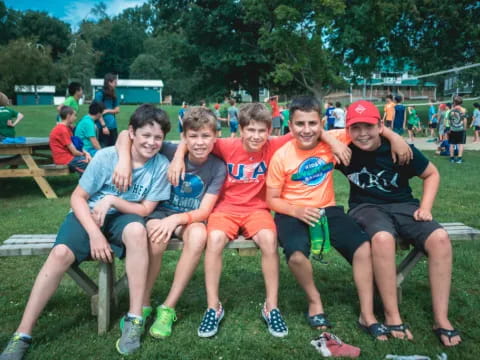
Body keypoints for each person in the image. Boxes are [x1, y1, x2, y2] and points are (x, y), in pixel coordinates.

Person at [0, 104, 172, 359]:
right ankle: (22, 334)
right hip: (88, 215)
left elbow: (145, 209)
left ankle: (134, 319)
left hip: (125, 216)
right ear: (132, 133)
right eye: (146, 135)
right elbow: (78, 197)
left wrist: (112, 200)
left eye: (158, 137)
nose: (152, 142)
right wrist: (94, 233)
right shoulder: (107, 158)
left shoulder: (160, 165)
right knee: (59, 254)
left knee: (137, 231)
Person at [168, 102, 350, 339]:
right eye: (250, 130)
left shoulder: (274, 144)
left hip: (257, 208)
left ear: (269, 132)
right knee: (213, 239)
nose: (256, 136)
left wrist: (332, 140)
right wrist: (177, 158)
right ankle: (213, 307)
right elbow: (192, 138)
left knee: (268, 238)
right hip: (225, 209)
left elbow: (306, 130)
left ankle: (271, 306)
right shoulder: (224, 145)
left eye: (261, 131)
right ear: (241, 130)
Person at [266, 96, 411, 341]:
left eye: (313, 123)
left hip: (327, 208)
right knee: (297, 256)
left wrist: (395, 137)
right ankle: (315, 301)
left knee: (363, 248)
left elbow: (370, 128)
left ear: (321, 123)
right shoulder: (282, 156)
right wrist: (296, 210)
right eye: (299, 124)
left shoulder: (337, 137)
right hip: (292, 210)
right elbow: (272, 199)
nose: (306, 129)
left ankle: (367, 314)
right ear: (290, 127)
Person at [337, 99, 461, 347]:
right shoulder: (343, 148)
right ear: (347, 129)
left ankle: (441, 319)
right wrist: (333, 140)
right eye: (355, 128)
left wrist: (425, 208)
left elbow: (432, 173)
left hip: (404, 206)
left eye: (369, 127)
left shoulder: (399, 149)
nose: (362, 134)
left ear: (380, 125)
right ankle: (392, 315)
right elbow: (309, 135)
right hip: (366, 207)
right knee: (383, 239)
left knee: (440, 239)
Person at [114, 106, 227, 339]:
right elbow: (126, 135)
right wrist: (126, 160)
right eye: (193, 136)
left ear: (216, 137)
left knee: (198, 236)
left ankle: (168, 307)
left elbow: (204, 211)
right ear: (183, 138)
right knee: (156, 238)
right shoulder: (168, 149)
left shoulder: (217, 167)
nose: (199, 142)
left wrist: (177, 219)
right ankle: (143, 305)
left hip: (187, 218)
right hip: (159, 211)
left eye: (206, 136)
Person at [49, 106, 92, 174]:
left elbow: (76, 147)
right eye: (74, 115)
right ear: (68, 116)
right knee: (90, 166)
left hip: (70, 157)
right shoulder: (62, 130)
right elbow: (74, 152)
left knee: (91, 163)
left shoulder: (67, 128)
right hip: (64, 159)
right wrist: (84, 155)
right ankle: (86, 183)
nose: (75, 118)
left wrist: (87, 153)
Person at [94, 73, 120, 147]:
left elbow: (117, 110)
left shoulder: (113, 95)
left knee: (114, 148)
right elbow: (98, 112)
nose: (116, 84)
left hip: (113, 126)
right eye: (115, 82)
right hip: (102, 127)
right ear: (109, 82)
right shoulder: (100, 94)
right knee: (103, 148)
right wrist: (104, 126)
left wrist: (107, 110)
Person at [447, 96, 467, 164]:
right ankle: (459, 159)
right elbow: (464, 119)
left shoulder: (451, 111)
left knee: (451, 144)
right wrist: (465, 128)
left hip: (452, 129)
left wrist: (449, 128)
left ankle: (452, 158)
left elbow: (449, 120)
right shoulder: (463, 110)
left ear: (454, 102)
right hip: (460, 129)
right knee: (460, 144)